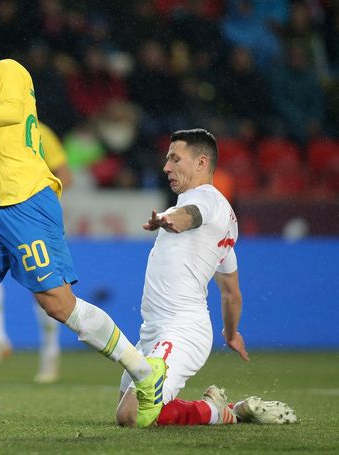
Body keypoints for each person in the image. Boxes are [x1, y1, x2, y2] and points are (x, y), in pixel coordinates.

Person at [0, 13, 165, 424]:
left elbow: (10, 112)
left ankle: (146, 373)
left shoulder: (7, 71)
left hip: (26, 203)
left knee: (59, 305)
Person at [114, 129, 297, 427]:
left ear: (201, 163)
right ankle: (214, 406)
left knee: (131, 416)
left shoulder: (207, 200)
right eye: (166, 159)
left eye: (175, 159)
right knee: (128, 403)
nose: (166, 167)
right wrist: (231, 333)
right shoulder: (223, 224)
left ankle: (218, 411)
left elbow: (191, 214)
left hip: (181, 331)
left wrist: (171, 220)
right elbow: (230, 293)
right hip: (154, 332)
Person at [0, 122, 72, 383]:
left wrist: (41, 206)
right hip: (1, 214)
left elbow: (65, 174)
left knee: (45, 290)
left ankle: (49, 357)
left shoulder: (37, 130)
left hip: (33, 219)